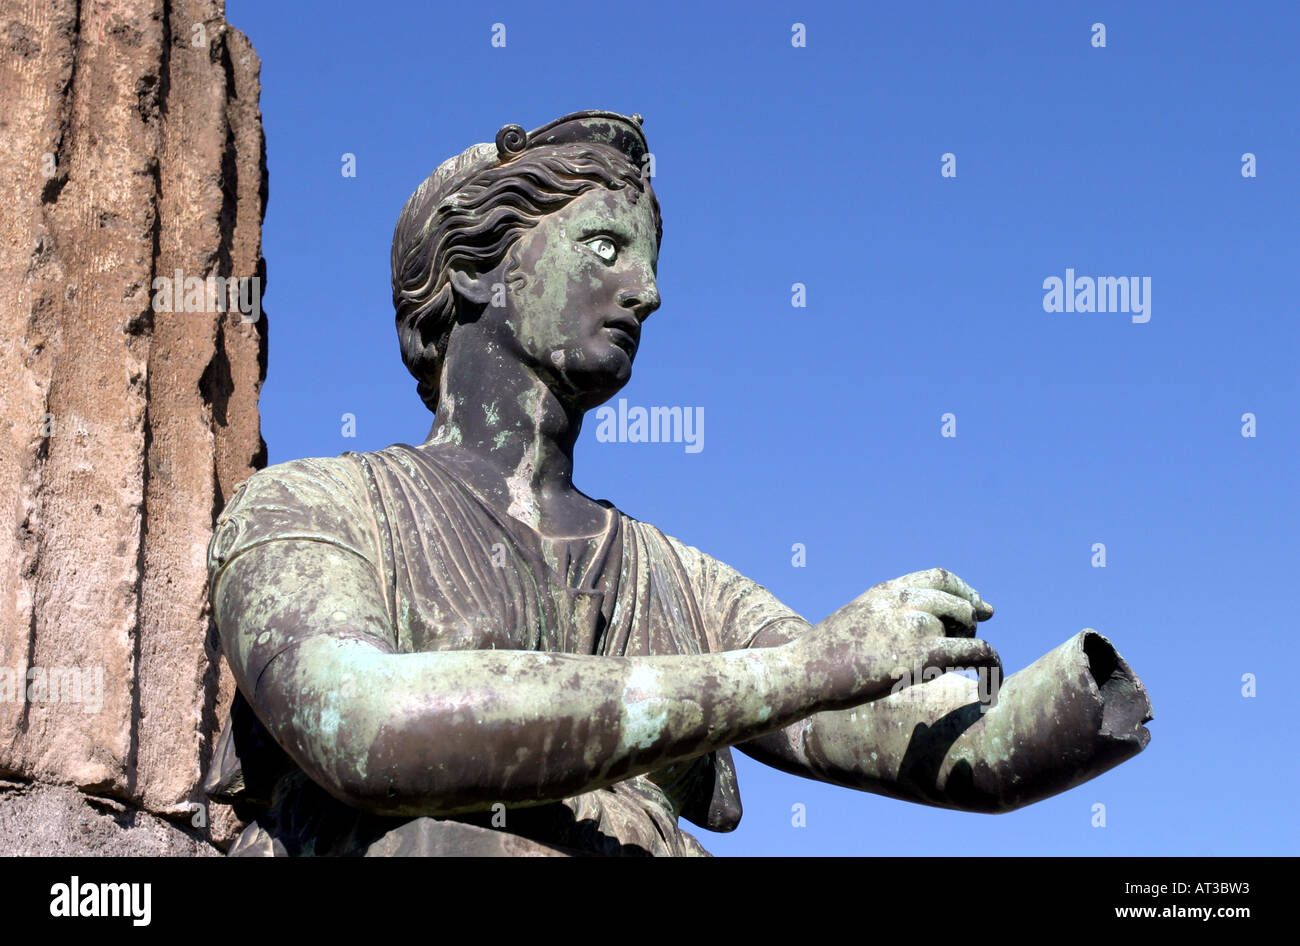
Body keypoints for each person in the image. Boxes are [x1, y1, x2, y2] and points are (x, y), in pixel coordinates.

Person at [204, 111, 1151, 856]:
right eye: (606, 247)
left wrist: (1016, 687)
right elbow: (364, 729)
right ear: (476, 271)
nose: (649, 290)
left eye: (650, 256)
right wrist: (809, 669)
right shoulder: (311, 508)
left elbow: (960, 759)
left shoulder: (679, 580)